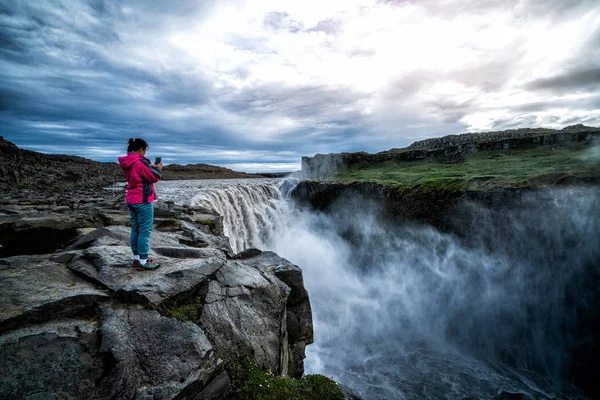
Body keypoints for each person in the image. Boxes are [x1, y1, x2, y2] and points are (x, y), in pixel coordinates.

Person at [118, 138, 163, 270]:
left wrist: (151, 167)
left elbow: (142, 174)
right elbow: (155, 177)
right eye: (145, 150)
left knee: (135, 229)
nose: (145, 153)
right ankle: (144, 261)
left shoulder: (128, 162)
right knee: (144, 231)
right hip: (143, 200)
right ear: (141, 149)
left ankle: (137, 258)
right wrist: (158, 169)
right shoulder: (140, 162)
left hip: (131, 199)